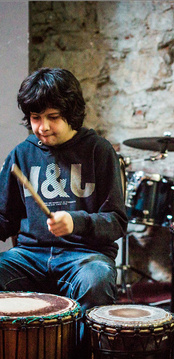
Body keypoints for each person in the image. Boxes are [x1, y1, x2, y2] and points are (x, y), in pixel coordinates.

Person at [0, 68, 128, 342]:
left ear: (71, 114)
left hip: (84, 257)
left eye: (53, 117)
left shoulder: (99, 151)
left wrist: (76, 222)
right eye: (36, 118)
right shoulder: (21, 154)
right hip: (30, 257)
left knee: (97, 281)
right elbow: (4, 217)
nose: (42, 127)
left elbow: (116, 221)